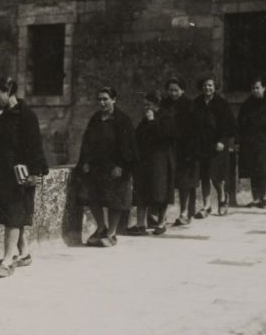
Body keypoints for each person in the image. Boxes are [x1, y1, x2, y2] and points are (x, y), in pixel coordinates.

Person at [0, 77, 48, 277]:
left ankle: (7, 261)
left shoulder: (26, 116)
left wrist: (35, 174)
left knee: (14, 217)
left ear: (9, 92)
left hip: (20, 175)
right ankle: (24, 254)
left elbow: (35, 146)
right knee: (11, 216)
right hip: (0, 175)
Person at [78, 87, 137, 247]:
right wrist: (85, 162)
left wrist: (121, 165)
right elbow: (87, 143)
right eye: (100, 99)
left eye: (105, 99)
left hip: (114, 168)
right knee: (92, 198)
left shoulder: (122, 120)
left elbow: (128, 146)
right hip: (96, 166)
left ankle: (111, 233)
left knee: (114, 200)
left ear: (114, 99)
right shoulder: (96, 119)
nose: (102, 102)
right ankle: (101, 227)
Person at [128, 90, 175, 236]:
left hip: (161, 159)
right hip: (146, 160)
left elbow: (166, 136)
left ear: (156, 104)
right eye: (144, 104)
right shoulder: (146, 118)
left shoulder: (167, 116)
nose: (145, 107)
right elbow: (139, 136)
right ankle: (141, 224)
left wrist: (152, 121)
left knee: (161, 192)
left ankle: (161, 223)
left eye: (148, 104)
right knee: (142, 191)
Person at [193, 75, 236, 218]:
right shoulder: (197, 102)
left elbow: (229, 126)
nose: (207, 88)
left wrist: (222, 141)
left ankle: (222, 199)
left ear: (215, 87)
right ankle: (206, 206)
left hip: (217, 145)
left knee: (215, 176)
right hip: (202, 144)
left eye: (210, 85)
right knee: (204, 176)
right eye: (205, 85)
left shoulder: (222, 103)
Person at [161, 77, 199, 226]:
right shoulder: (164, 104)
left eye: (176, 90)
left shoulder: (190, 106)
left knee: (185, 184)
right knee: (167, 182)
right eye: (170, 90)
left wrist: (192, 151)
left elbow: (195, 130)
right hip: (169, 149)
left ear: (182, 90)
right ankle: (161, 216)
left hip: (186, 150)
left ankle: (184, 212)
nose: (173, 93)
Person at [237, 77, 266, 208]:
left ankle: (264, 196)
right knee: (252, 170)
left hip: (265, 141)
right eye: (253, 88)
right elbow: (240, 123)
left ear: (264, 88)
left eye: (258, 88)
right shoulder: (247, 104)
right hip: (249, 141)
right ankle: (255, 198)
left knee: (264, 170)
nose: (255, 91)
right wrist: (239, 139)